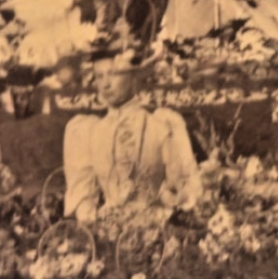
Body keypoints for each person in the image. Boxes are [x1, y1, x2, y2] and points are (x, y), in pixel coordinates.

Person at [63, 49, 202, 222]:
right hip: (109, 230)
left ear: (133, 77)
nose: (106, 84)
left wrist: (169, 204)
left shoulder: (161, 125)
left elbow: (184, 187)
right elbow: (83, 198)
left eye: (114, 74)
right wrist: (93, 220)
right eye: (99, 76)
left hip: (157, 227)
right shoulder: (89, 131)